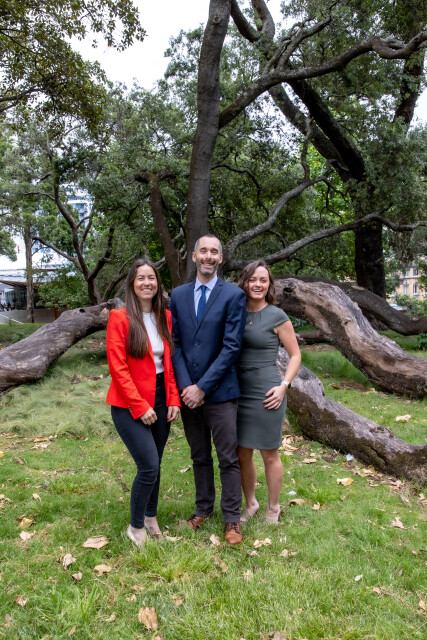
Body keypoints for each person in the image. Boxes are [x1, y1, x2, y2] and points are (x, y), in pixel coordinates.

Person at [170, 235, 246, 545]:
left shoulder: (234, 295)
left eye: (214, 252)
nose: (209, 256)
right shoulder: (178, 295)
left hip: (221, 392)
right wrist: (187, 386)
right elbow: (175, 343)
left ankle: (232, 519)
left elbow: (231, 347)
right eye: (204, 251)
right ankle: (203, 509)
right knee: (199, 455)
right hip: (189, 393)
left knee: (227, 457)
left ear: (221, 258)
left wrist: (202, 387)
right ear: (194, 256)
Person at [106, 258, 181, 547]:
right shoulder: (120, 318)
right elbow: (118, 368)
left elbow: (169, 363)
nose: (147, 283)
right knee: (148, 465)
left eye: (152, 278)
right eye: (141, 278)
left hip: (161, 397)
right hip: (128, 402)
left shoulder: (166, 317)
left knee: (156, 463)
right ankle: (135, 527)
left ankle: (151, 517)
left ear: (158, 284)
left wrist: (173, 398)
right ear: (132, 284)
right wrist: (139, 406)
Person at [236, 260, 301, 524]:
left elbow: (295, 355)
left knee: (269, 452)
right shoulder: (235, 312)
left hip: (267, 392)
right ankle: (251, 503)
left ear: (269, 285)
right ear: (245, 282)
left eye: (263, 280)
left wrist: (284, 386)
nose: (258, 284)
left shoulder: (277, 315)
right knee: (242, 452)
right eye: (253, 279)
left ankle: (273, 507)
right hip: (238, 391)